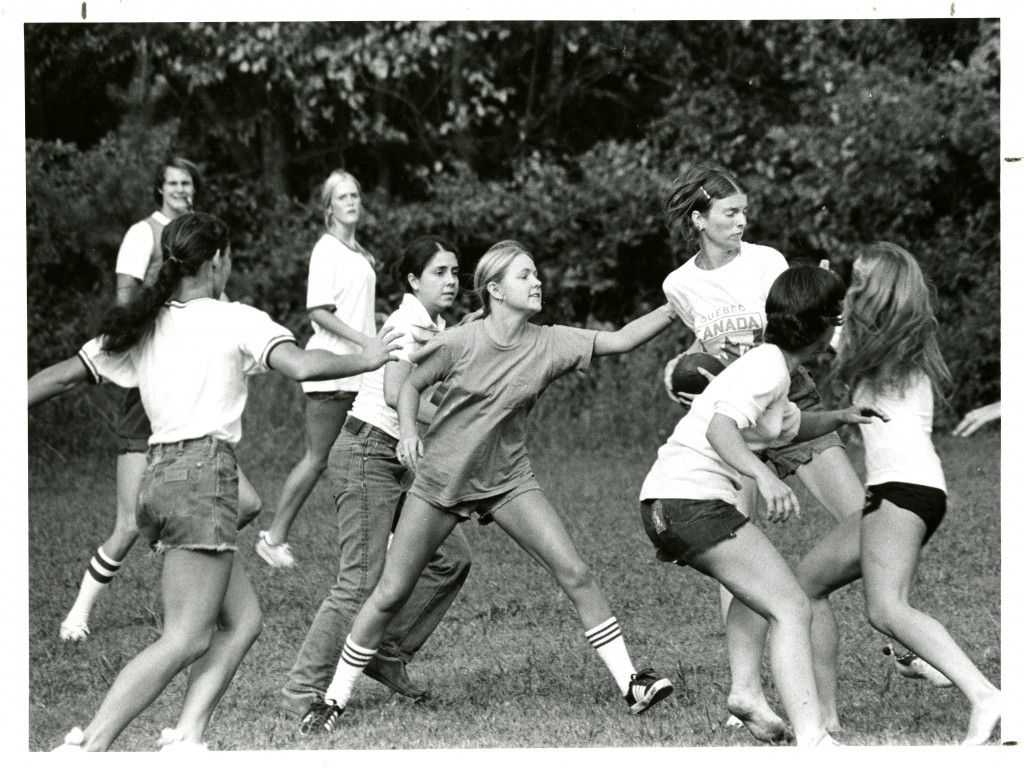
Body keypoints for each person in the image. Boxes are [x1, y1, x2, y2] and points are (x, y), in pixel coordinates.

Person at [34, 213, 401, 752]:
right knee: (183, 638)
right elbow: (298, 366)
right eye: (228, 258)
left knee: (243, 620)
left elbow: (65, 373)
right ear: (215, 263)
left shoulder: (145, 322)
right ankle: (88, 747)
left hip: (159, 477)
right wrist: (365, 356)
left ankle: (187, 736)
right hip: (203, 477)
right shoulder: (235, 319)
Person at [298, 240, 677, 734]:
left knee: (575, 571)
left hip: (507, 479)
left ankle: (633, 683)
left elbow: (622, 339)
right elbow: (406, 385)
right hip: (441, 480)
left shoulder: (550, 341)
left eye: (536, 273)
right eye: (525, 276)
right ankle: (334, 699)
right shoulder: (460, 340)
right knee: (390, 592)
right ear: (495, 290)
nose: (537, 281)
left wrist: (677, 305)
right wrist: (410, 432)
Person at [659, 162, 869, 735]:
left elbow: (796, 330)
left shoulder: (768, 261)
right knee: (742, 561)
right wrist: (683, 378)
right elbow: (701, 351)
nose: (741, 222)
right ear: (699, 220)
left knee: (867, 525)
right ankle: (746, 691)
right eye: (730, 213)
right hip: (737, 419)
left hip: (788, 395)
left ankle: (900, 642)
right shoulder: (679, 285)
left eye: (744, 211)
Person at [59, 156, 261, 643]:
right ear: (159, 189)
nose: (179, 189)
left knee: (248, 502)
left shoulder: (202, 242)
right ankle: (78, 613)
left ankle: (182, 550)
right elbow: (127, 295)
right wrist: (146, 339)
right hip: (147, 387)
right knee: (128, 523)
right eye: (171, 182)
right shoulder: (144, 235)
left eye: (186, 182)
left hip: (191, 409)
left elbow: (215, 311)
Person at [281, 235, 472, 718]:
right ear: (413, 280)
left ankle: (386, 652)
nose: (451, 281)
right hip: (368, 452)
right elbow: (393, 393)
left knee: (449, 556)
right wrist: (467, 420)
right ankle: (301, 692)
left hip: (396, 459)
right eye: (439, 273)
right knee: (360, 581)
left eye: (454, 272)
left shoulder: (433, 324)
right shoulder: (407, 323)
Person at [830, 242, 1001, 745]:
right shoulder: (896, 343)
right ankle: (824, 722)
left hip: (903, 490)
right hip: (900, 489)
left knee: (886, 608)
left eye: (858, 280)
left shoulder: (888, 349)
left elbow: (837, 345)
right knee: (808, 584)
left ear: (876, 290)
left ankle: (986, 695)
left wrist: (822, 310)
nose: (850, 287)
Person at [256, 170, 378, 569]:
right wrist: (364, 343)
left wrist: (383, 327)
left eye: (356, 194)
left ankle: (388, 535)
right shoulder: (326, 250)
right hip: (332, 370)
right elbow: (319, 312)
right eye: (342, 196)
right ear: (328, 207)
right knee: (318, 458)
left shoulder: (359, 253)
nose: (352, 201)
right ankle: (273, 539)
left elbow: (357, 312)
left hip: (363, 369)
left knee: (377, 451)